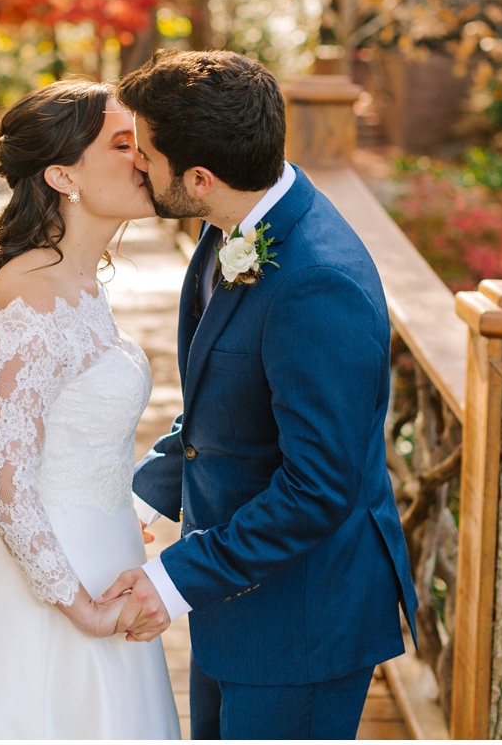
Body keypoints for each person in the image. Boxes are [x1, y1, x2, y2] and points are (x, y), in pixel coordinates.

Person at [105, 49, 418, 742]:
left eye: (146, 155)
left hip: (303, 619)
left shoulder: (317, 281)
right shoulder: (235, 224)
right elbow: (234, 404)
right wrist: (140, 496)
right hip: (236, 592)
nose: (136, 166)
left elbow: (318, 486)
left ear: (199, 177)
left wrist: (173, 578)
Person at [0, 83, 180, 741]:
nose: (144, 155)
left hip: (111, 553)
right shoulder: (27, 299)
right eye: (123, 143)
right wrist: (82, 609)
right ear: (62, 174)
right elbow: (6, 487)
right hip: (54, 589)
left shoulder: (82, 281)